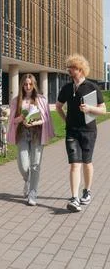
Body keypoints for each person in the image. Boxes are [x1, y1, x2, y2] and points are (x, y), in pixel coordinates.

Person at [56, 54, 106, 212]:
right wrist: (66, 120)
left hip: (89, 131)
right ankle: (74, 197)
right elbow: (58, 106)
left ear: (80, 69)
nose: (69, 70)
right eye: (68, 67)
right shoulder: (66, 88)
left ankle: (87, 191)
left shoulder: (92, 87)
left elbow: (103, 110)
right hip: (72, 131)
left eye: (72, 68)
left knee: (87, 162)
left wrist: (90, 109)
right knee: (74, 164)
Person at [7, 74, 54, 206]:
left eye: (30, 84)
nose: (28, 87)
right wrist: (22, 117)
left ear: (34, 85)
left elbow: (46, 119)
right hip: (22, 134)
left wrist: (33, 123)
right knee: (23, 165)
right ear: (22, 85)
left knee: (35, 165)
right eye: (25, 84)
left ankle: (33, 192)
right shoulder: (16, 101)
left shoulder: (41, 100)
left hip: (37, 134)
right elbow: (12, 121)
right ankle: (28, 181)